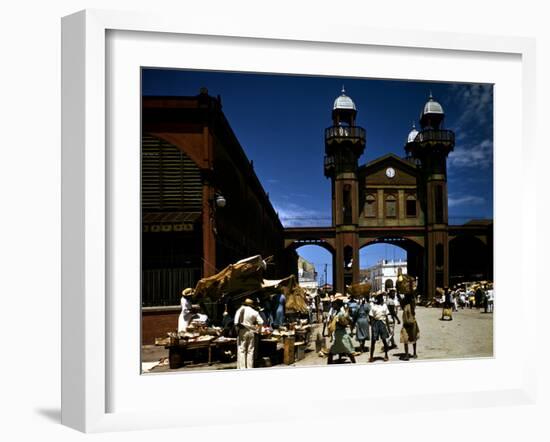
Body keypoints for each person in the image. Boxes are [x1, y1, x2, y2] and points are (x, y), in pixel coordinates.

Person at [234, 298, 264, 369]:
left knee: (242, 350)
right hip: (251, 331)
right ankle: (250, 368)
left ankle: (242, 368)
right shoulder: (254, 312)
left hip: (242, 331)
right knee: (250, 350)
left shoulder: (241, 309)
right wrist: (258, 331)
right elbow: (261, 322)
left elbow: (236, 322)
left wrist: (237, 331)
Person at [327, 295, 356, 364]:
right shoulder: (337, 313)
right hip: (339, 336)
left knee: (348, 352)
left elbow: (345, 323)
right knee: (348, 352)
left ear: (337, 305)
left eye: (334, 304)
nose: (333, 305)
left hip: (342, 336)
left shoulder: (340, 314)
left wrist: (338, 322)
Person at [369, 294, 391, 362]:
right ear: (378, 299)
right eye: (380, 298)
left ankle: (386, 355)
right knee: (373, 341)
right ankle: (371, 356)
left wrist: (388, 327)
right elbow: (371, 317)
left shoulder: (384, 306)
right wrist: (372, 326)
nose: (382, 299)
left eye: (382, 298)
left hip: (382, 323)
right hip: (375, 323)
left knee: (384, 340)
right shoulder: (373, 307)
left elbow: (387, 317)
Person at [400, 292, 419, 361]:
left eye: (407, 296)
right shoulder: (404, 305)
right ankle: (407, 354)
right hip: (405, 324)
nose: (406, 297)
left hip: (412, 323)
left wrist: (411, 292)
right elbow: (401, 301)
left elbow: (413, 299)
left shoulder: (412, 304)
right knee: (405, 339)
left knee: (413, 339)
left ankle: (414, 352)